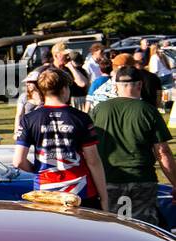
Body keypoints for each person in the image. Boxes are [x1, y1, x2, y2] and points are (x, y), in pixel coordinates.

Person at [12, 68, 109, 211]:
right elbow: (93, 161)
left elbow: (18, 161)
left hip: (45, 192)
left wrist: (36, 169)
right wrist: (104, 197)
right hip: (80, 192)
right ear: (65, 89)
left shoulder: (29, 119)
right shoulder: (81, 118)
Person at [90, 65, 176, 226]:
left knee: (111, 228)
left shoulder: (99, 109)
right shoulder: (148, 111)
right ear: (140, 85)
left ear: (115, 86)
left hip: (107, 179)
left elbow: (88, 149)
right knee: (144, 230)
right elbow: (163, 152)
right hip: (141, 179)